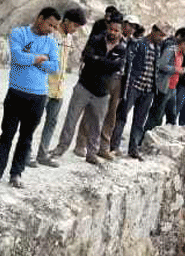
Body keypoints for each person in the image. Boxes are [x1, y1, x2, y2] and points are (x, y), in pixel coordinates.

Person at [0, 6, 61, 188]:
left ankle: (16, 174)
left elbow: (55, 67)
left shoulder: (51, 42)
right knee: (7, 134)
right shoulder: (19, 33)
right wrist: (40, 58)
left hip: (38, 97)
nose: (51, 30)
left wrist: (33, 60)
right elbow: (18, 58)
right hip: (16, 93)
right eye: (50, 25)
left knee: (26, 137)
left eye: (54, 27)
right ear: (40, 18)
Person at [44, 16, 126, 166]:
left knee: (96, 125)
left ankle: (92, 154)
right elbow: (87, 58)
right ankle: (61, 148)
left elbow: (117, 67)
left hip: (102, 93)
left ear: (121, 33)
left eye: (116, 30)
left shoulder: (122, 49)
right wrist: (105, 63)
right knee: (71, 120)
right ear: (107, 28)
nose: (112, 32)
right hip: (84, 87)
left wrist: (98, 61)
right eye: (111, 29)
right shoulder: (95, 39)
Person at [30, 7, 85, 167]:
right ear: (66, 21)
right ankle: (25, 154)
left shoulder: (68, 38)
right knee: (34, 121)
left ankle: (43, 154)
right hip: (44, 86)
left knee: (51, 122)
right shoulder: (51, 35)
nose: (75, 30)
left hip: (58, 88)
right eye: (74, 26)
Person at [86, 16, 138, 160]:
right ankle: (83, 144)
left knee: (111, 115)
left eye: (134, 26)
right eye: (129, 25)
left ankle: (104, 147)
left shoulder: (132, 43)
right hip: (104, 77)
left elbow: (127, 64)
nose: (131, 28)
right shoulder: (107, 38)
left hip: (120, 80)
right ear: (124, 25)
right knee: (94, 112)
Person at [112, 23, 161, 158]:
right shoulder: (139, 43)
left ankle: (133, 149)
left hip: (148, 89)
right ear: (153, 31)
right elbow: (129, 64)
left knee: (139, 121)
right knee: (122, 116)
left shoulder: (158, 48)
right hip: (134, 86)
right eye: (160, 34)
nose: (161, 38)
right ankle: (114, 146)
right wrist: (127, 86)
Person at [148, 30, 185, 133]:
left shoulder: (181, 54)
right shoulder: (171, 51)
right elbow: (161, 65)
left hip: (173, 88)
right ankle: (146, 139)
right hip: (164, 87)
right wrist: (176, 69)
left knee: (172, 116)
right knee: (156, 116)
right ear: (183, 44)